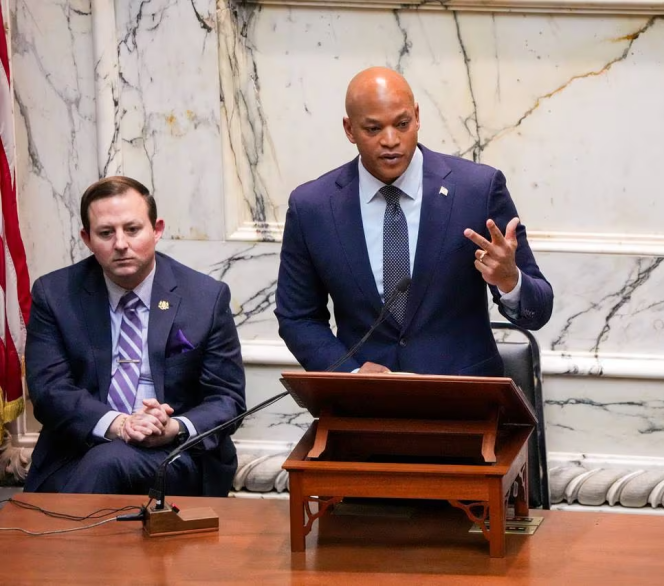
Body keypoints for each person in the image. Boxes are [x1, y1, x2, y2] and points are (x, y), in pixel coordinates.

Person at [275, 67, 553, 375]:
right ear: (349, 129)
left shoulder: (477, 190)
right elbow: (297, 317)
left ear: (417, 117)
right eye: (373, 129)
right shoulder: (312, 207)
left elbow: (538, 310)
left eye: (402, 124)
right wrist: (349, 375)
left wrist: (509, 280)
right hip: (363, 409)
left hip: (464, 408)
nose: (391, 140)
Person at [24, 176, 246, 495]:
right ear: (87, 239)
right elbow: (49, 391)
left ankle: (66, 545)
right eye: (105, 233)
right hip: (80, 444)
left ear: (156, 230)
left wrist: (173, 427)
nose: (120, 244)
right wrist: (119, 424)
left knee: (107, 463)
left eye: (132, 229)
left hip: (174, 453)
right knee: (103, 460)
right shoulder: (55, 294)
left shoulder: (205, 298)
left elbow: (227, 399)